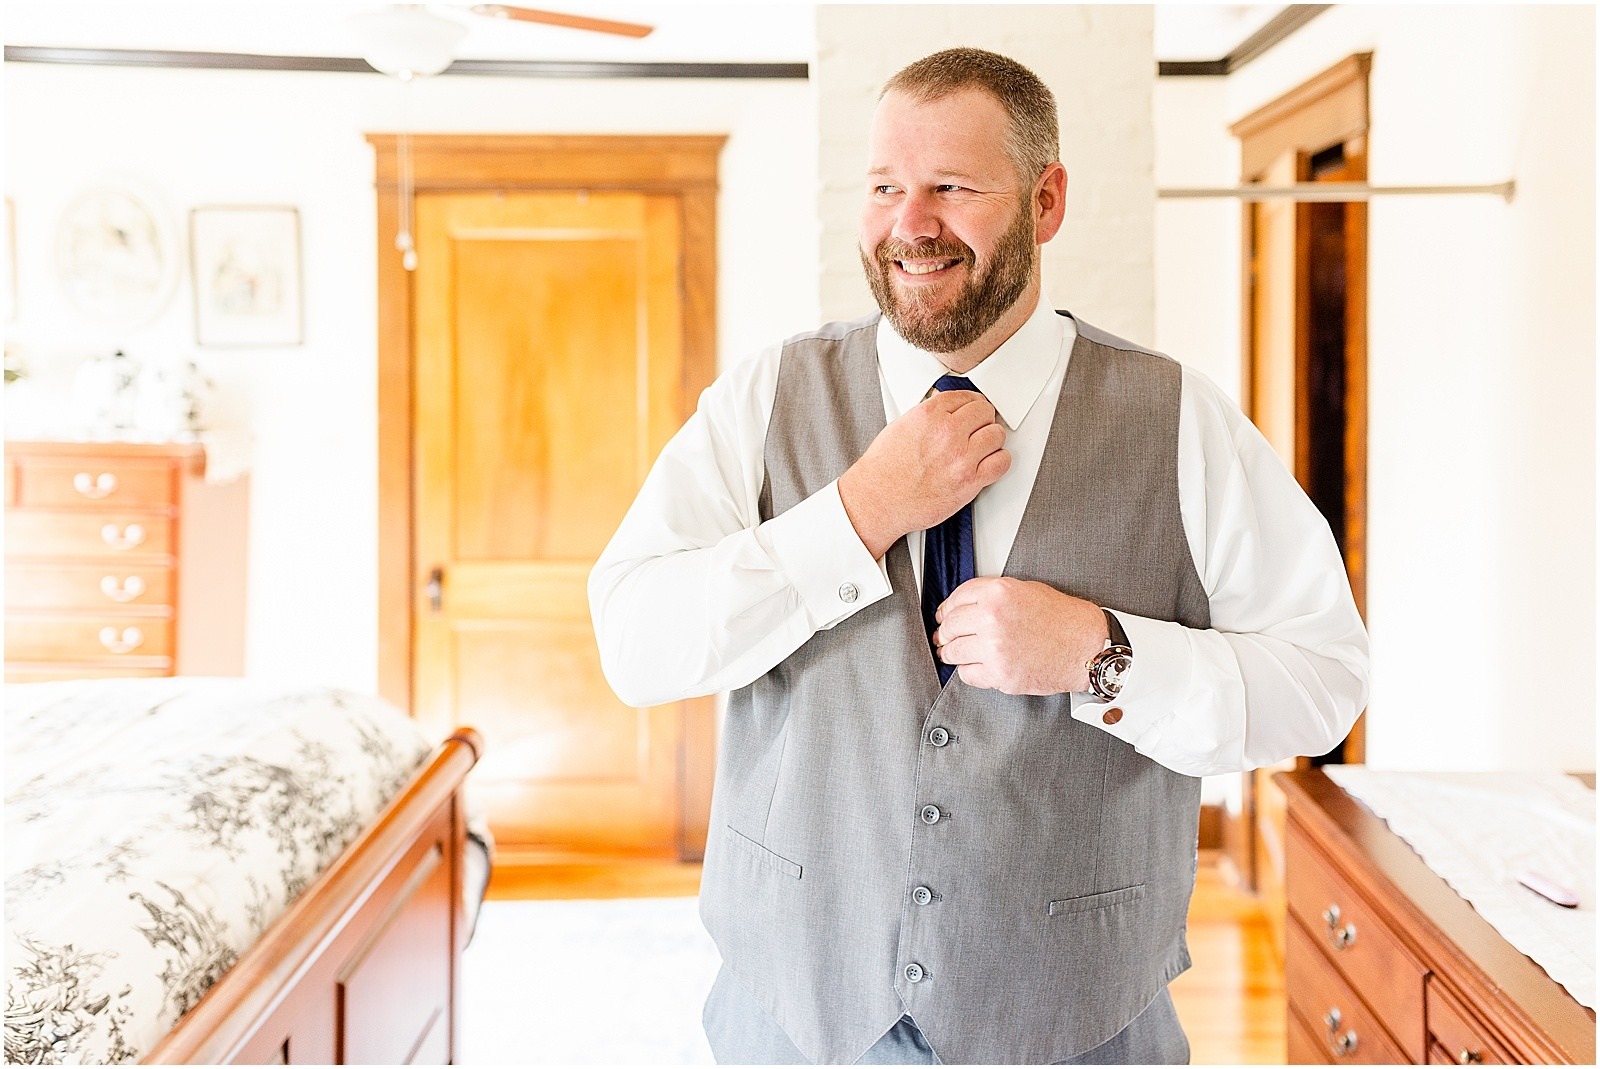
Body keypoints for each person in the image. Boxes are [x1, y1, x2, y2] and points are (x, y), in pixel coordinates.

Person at [589, 47, 1369, 1066]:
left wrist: (1105, 654)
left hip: (1082, 1028)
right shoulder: (763, 400)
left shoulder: (1177, 422)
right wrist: (857, 513)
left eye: (950, 188)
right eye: (883, 188)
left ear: (1045, 203)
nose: (909, 224)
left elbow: (1324, 682)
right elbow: (633, 642)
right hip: (791, 1022)